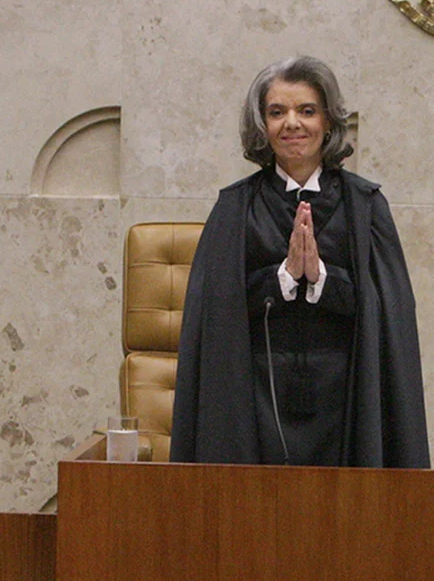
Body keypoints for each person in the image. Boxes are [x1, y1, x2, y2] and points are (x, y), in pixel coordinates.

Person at [170, 56, 429, 468]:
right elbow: (217, 311)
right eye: (277, 112)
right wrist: (283, 278)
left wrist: (322, 279)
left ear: (328, 121)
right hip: (253, 397)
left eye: (306, 111)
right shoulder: (235, 207)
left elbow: (386, 309)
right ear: (262, 125)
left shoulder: (365, 206)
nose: (292, 123)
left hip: (348, 397)